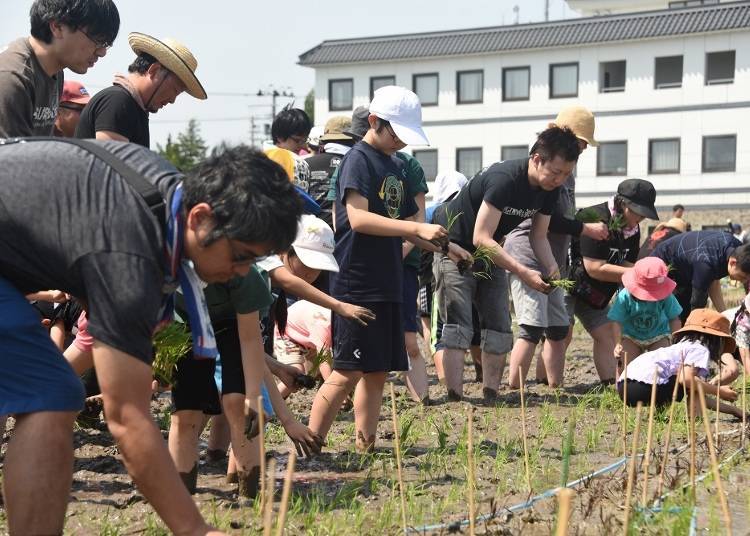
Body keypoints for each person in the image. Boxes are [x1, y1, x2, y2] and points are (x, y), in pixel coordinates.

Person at [0, 139, 301, 535]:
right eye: (241, 255)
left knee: (49, 393)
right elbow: (126, 417)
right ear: (200, 217)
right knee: (50, 397)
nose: (243, 272)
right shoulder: (131, 250)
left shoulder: (163, 200)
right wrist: (196, 529)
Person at [307, 85, 450, 452]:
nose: (402, 141)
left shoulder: (398, 166)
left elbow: (402, 221)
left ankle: (365, 445)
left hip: (387, 279)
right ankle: (309, 445)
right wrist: (416, 228)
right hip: (357, 281)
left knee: (376, 372)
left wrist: (453, 248)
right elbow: (357, 219)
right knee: (346, 371)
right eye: (397, 133)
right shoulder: (358, 160)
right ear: (374, 122)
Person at [432, 126, 580, 401]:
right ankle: (455, 398)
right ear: (537, 159)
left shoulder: (548, 190)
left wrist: (552, 269)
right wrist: (524, 272)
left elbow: (538, 235)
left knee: (499, 322)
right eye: (555, 172)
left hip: (492, 249)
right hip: (454, 244)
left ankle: (491, 394)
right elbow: (480, 237)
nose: (559, 180)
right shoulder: (505, 179)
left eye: (566, 174)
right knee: (459, 322)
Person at [505, 106, 609, 389]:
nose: (585, 148)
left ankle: (556, 386)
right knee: (531, 326)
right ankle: (514, 390)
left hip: (554, 257)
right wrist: (585, 228)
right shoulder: (545, 166)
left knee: (558, 327)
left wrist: (581, 221)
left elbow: (562, 217)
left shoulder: (567, 171)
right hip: (528, 252)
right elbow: (547, 223)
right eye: (583, 141)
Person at [563, 178, 659, 384]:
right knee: (563, 334)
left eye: (645, 214)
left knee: (606, 333)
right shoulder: (593, 216)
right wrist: (637, 273)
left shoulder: (632, 229)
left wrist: (645, 275)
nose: (641, 218)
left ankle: (609, 383)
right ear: (623, 203)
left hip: (596, 292)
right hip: (569, 282)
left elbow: (626, 263)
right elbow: (595, 268)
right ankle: (550, 386)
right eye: (638, 212)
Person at [0, 0, 118, 138]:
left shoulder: (56, 72)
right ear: (57, 27)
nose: (102, 52)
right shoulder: (12, 78)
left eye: (105, 44)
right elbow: (11, 157)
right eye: (97, 40)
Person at [76, 32, 206, 147]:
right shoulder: (118, 102)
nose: (172, 100)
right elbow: (114, 169)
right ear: (154, 70)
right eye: (175, 90)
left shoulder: (132, 107)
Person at [618, 309, 745, 420]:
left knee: (692, 384)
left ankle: (659, 416)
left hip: (624, 387)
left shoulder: (682, 347)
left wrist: (734, 411)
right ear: (717, 339)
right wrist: (719, 391)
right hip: (642, 387)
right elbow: (687, 380)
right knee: (693, 384)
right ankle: (695, 418)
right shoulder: (699, 349)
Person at [651, 231, 750, 322]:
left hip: (688, 268)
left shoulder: (739, 250)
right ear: (733, 262)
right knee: (679, 316)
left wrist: (726, 317)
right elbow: (697, 306)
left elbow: (713, 280)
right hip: (662, 267)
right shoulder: (706, 265)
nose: (744, 281)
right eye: (743, 277)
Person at [609, 257, 682, 366]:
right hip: (631, 336)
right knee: (625, 365)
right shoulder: (625, 296)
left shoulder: (666, 296)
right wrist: (618, 343)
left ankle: (659, 382)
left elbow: (674, 319)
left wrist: (677, 343)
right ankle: (625, 381)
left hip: (659, 334)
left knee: (662, 363)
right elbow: (616, 321)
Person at [305, 115, 357, 228]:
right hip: (349, 237)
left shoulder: (305, 164)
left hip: (312, 236)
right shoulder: (360, 165)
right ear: (354, 139)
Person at [264, 105, 312, 193]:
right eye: (297, 141)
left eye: (305, 140)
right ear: (280, 137)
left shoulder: (257, 158)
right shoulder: (293, 161)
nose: (303, 146)